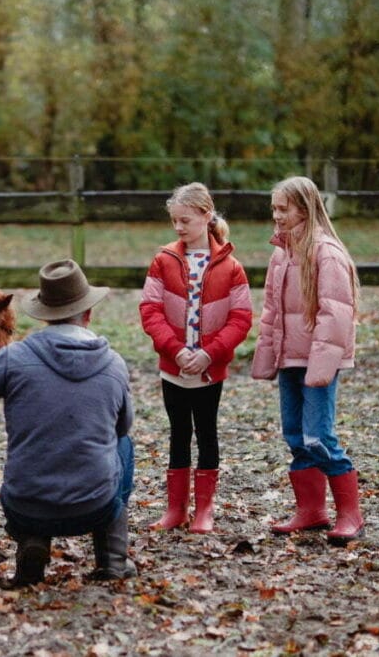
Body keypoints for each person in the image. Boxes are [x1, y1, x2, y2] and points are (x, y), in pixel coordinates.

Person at [0, 259, 136, 585]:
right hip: (94, 506)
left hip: (26, 507)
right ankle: (112, 561)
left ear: (44, 314)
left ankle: (32, 541)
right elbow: (122, 427)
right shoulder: (114, 364)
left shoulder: (14, 357)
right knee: (123, 444)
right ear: (88, 313)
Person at [252, 175, 364, 546]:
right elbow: (271, 310)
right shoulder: (281, 252)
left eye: (283, 208)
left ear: (304, 208)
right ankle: (311, 511)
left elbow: (336, 313)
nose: (276, 215)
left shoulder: (326, 253)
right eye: (274, 208)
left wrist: (321, 366)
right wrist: (269, 354)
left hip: (318, 360)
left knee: (319, 436)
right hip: (290, 358)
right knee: (296, 435)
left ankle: (350, 514)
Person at [138, 182, 252, 534]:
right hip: (172, 367)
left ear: (206, 216)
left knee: (206, 432)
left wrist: (209, 354)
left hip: (209, 370)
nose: (178, 227)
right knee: (177, 433)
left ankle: (204, 510)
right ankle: (176, 510)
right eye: (174, 220)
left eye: (185, 220)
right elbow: (150, 310)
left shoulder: (231, 267)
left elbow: (241, 318)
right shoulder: (163, 261)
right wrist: (175, 350)